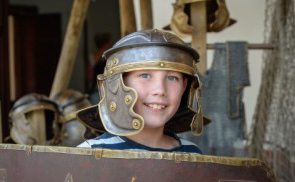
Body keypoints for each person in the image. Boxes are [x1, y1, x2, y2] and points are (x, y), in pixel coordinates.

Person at [77, 29, 210, 153]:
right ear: (116, 84)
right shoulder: (89, 154)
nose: (160, 90)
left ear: (184, 87)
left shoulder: (192, 153)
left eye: (172, 78)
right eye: (145, 75)